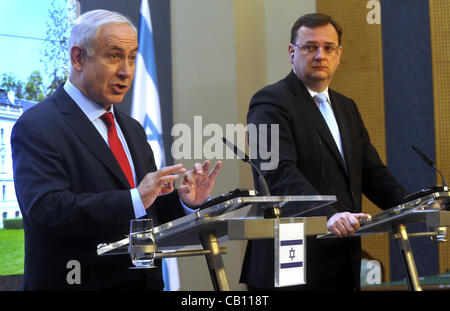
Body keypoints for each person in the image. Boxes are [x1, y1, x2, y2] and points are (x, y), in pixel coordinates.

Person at [11, 9, 221, 291]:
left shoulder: (131, 128)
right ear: (78, 58)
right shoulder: (37, 125)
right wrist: (136, 197)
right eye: (114, 55)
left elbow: (146, 210)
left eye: (132, 57)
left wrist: (185, 202)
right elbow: (47, 212)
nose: (126, 70)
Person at [240, 13, 407, 291]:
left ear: (339, 54)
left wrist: (412, 204)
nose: (320, 55)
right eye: (310, 47)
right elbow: (278, 173)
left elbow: (372, 173)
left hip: (341, 259)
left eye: (328, 48)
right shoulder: (268, 102)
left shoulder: (346, 107)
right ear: (292, 53)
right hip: (291, 260)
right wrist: (327, 214)